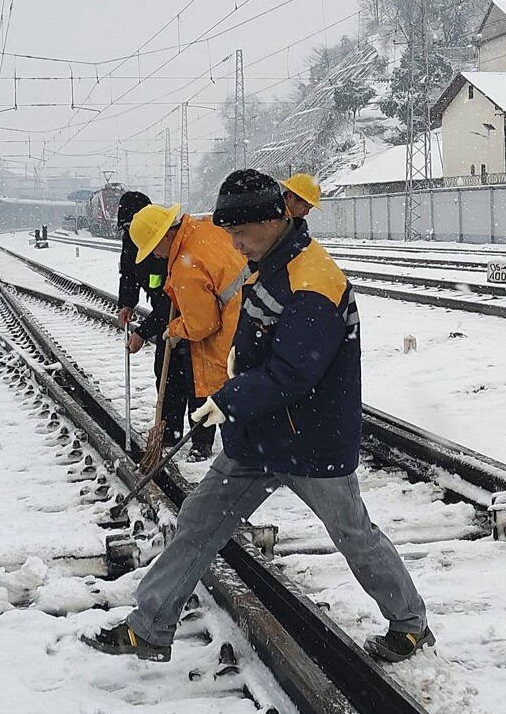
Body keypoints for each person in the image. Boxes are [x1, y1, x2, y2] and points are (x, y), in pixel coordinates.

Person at [85, 170, 431, 664]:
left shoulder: (313, 280)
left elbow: (294, 373)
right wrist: (234, 380)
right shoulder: (269, 263)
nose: (234, 244)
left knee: (352, 533)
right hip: (259, 436)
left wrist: (229, 399)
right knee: (199, 519)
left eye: (241, 232)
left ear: (272, 220)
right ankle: (150, 626)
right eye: (229, 233)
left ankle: (410, 623)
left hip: (309, 438)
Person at [121, 200, 246, 461]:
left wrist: (173, 329)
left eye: (154, 249)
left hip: (230, 333)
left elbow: (202, 325)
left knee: (212, 386)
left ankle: (235, 456)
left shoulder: (185, 268)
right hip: (253, 317)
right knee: (244, 394)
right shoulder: (206, 228)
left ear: (167, 235)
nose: (156, 257)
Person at [115, 191, 194, 448]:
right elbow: (128, 273)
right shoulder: (133, 238)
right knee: (166, 373)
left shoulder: (165, 242)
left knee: (194, 379)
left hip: (187, 315)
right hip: (165, 315)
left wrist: (142, 332)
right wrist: (127, 302)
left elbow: (171, 302)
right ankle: (169, 433)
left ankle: (200, 442)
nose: (132, 232)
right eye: (128, 227)